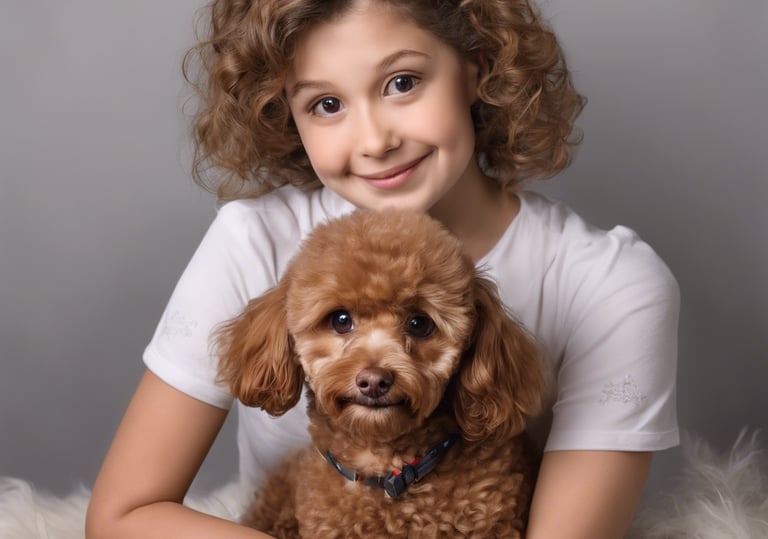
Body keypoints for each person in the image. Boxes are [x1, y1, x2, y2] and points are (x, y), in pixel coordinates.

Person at [85, 0, 680, 537]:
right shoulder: (253, 240)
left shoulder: (613, 285)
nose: (373, 141)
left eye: (402, 82)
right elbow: (122, 516)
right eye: (326, 104)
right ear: (289, 116)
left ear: (476, 70)